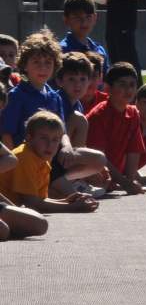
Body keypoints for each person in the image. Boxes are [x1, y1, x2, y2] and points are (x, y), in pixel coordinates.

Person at [0, 110, 98, 215]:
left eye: (55, 140)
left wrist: (67, 201)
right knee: (40, 226)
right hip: (3, 208)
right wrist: (72, 207)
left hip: (11, 207)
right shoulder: (25, 157)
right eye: (43, 138)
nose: (49, 145)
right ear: (29, 138)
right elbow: (31, 204)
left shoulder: (42, 159)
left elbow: (40, 200)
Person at [50, 51, 110, 198]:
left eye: (83, 79)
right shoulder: (56, 99)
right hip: (52, 152)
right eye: (71, 79)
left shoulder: (77, 104)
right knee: (79, 119)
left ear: (90, 81)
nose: (78, 84)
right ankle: (73, 181)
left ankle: (67, 182)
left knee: (99, 161)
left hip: (63, 155)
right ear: (60, 80)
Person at [85, 62, 146, 196]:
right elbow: (99, 158)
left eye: (132, 85)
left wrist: (130, 181)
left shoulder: (133, 113)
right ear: (108, 88)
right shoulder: (99, 115)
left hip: (115, 180)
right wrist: (125, 184)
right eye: (122, 84)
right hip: (92, 175)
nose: (128, 90)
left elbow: (134, 150)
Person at [1, 29, 65, 149]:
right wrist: (15, 165)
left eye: (48, 63)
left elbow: (62, 133)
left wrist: (67, 147)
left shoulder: (55, 97)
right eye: (36, 62)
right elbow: (7, 135)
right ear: (25, 65)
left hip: (49, 160)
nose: (43, 68)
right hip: (24, 161)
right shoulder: (16, 96)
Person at [59, 0, 109, 78]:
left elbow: (105, 83)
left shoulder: (99, 50)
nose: (84, 22)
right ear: (66, 20)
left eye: (88, 16)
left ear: (95, 18)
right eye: (77, 17)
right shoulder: (62, 50)